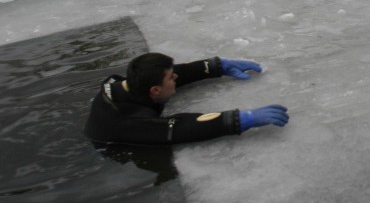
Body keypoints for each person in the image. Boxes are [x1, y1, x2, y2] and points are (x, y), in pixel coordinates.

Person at [84, 53, 289, 145]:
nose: (176, 79)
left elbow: (174, 73)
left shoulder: (129, 84)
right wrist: (238, 119)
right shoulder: (125, 120)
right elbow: (179, 128)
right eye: (171, 79)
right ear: (154, 91)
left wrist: (214, 66)